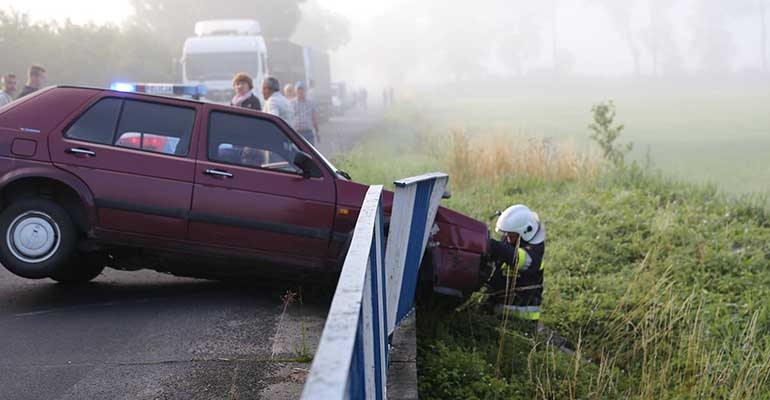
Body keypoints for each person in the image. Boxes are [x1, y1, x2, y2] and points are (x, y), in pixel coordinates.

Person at [487, 204, 546, 326]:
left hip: (523, 321)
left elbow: (519, 258)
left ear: (524, 232)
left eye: (511, 234)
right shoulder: (509, 244)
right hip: (497, 312)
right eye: (506, 234)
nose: (507, 238)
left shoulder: (535, 251)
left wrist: (494, 246)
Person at [290, 81, 320, 146]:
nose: (300, 92)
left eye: (302, 89)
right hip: (296, 133)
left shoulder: (310, 103)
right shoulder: (291, 103)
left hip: (308, 133)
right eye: (298, 89)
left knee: (310, 154)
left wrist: (317, 132)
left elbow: (314, 118)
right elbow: (288, 118)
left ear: (305, 91)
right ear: (295, 91)